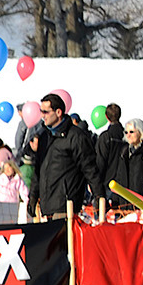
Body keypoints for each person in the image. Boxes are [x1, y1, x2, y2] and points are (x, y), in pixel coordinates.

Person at [26, 92, 102, 220]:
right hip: (46, 207)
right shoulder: (44, 137)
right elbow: (38, 170)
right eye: (41, 111)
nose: (42, 116)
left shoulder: (75, 137)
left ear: (58, 112)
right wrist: (33, 197)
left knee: (65, 240)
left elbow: (90, 169)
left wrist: (99, 197)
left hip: (66, 207)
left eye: (46, 112)